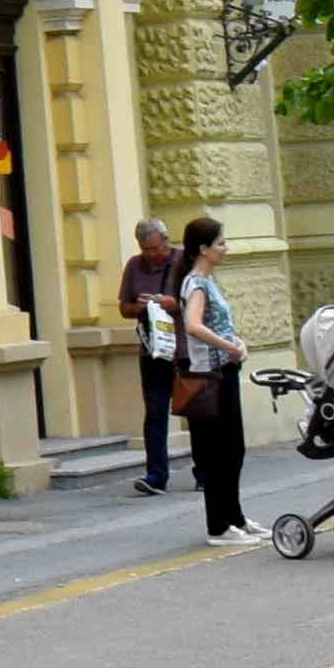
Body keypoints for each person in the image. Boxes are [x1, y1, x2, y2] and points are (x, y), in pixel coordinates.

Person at [170, 216, 249, 541]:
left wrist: (238, 341)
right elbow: (193, 325)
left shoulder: (208, 280)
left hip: (224, 370)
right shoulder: (196, 282)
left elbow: (218, 324)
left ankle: (236, 519)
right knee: (220, 452)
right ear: (203, 249)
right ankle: (218, 525)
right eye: (220, 243)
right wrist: (230, 347)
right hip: (210, 375)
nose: (225, 248)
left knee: (234, 449)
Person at [118, 215, 185, 495]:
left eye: (158, 248)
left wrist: (172, 304)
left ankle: (204, 472)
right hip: (152, 349)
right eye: (147, 250)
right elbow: (123, 307)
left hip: (183, 348)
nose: (154, 255)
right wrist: (140, 307)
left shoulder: (184, 262)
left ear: (167, 241)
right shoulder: (134, 266)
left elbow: (200, 302)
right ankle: (156, 475)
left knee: (193, 408)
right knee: (155, 412)